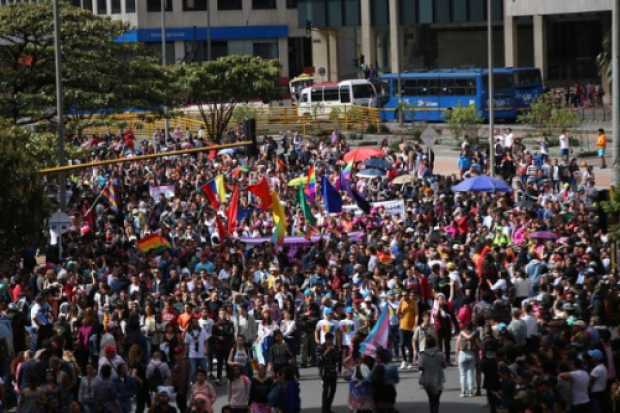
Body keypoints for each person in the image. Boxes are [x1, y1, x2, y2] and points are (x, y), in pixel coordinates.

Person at [418, 336, 446, 413]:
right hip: (438, 379)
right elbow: (444, 365)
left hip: (427, 380)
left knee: (431, 399)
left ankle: (433, 411)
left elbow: (420, 367)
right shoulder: (440, 354)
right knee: (436, 400)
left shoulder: (422, 355)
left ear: (426, 344)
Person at [317, 332, 339, 413]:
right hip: (325, 372)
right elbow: (319, 361)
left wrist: (335, 352)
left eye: (332, 340)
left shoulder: (335, 347)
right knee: (325, 391)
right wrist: (327, 351)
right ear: (326, 340)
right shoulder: (321, 347)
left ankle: (328, 407)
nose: (331, 342)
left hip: (333, 371)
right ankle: (324, 409)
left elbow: (337, 360)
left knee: (333, 390)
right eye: (329, 340)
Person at [397, 291, 418, 370]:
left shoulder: (413, 302)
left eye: (405, 295)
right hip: (402, 326)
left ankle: (410, 361)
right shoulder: (402, 301)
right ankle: (404, 361)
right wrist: (400, 314)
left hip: (411, 326)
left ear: (408, 295)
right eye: (403, 295)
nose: (404, 296)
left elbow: (416, 314)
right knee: (402, 344)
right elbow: (397, 312)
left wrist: (415, 325)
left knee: (409, 344)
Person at [455, 323, 478, 397]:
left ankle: (463, 392)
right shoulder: (474, 333)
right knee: (470, 374)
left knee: (462, 374)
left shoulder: (461, 333)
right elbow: (478, 344)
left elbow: (457, 345)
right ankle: (471, 391)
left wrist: (456, 355)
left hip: (462, 354)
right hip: (471, 354)